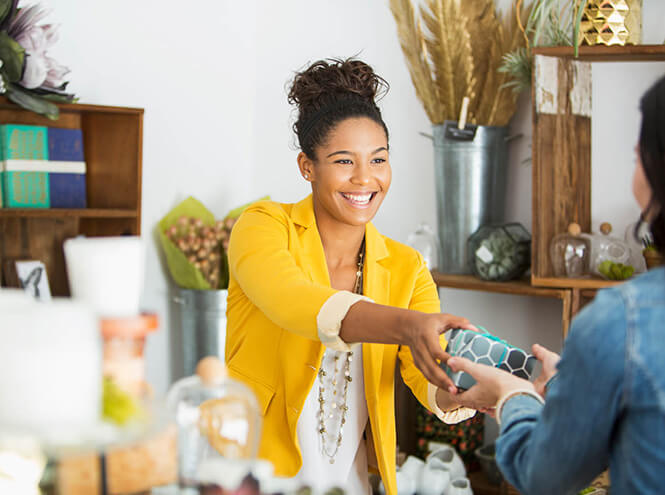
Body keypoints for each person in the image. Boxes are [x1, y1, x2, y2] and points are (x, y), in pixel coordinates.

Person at [225, 58, 476, 495]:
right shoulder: (262, 226)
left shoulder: (406, 266)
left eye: (378, 159)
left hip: (350, 483)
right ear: (307, 166)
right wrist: (407, 325)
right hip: (251, 476)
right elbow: (291, 300)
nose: (365, 178)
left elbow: (426, 373)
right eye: (344, 161)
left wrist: (467, 390)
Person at [446, 75, 665, 495]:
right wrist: (575, 383)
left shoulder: (620, 323)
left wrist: (513, 394)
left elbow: (544, 475)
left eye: (638, 155)